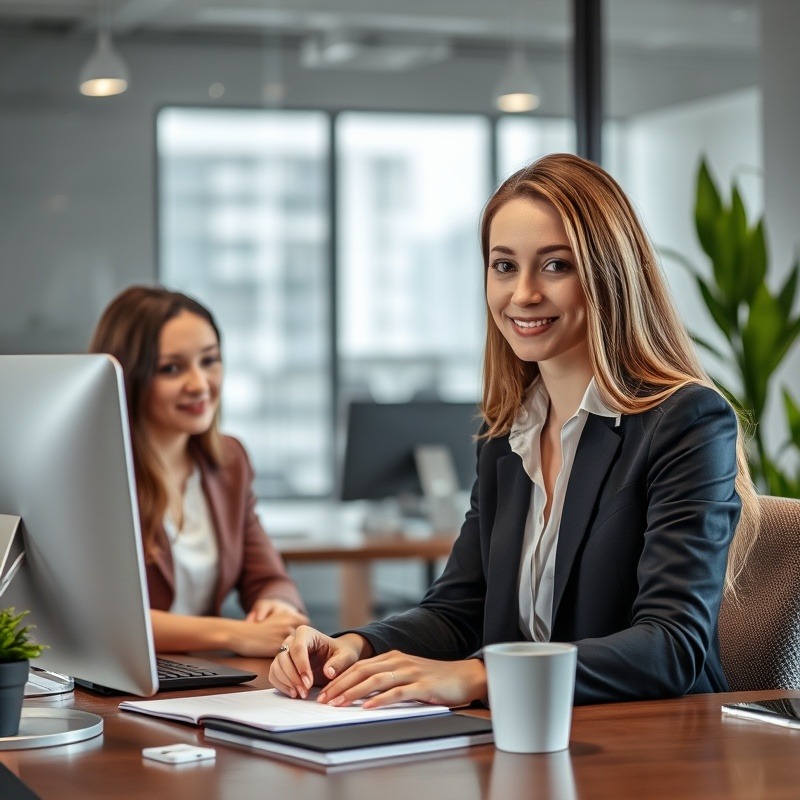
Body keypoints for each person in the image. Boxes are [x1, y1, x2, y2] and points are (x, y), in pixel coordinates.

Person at [270, 153, 760, 707]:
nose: (523, 293)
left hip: (647, 746)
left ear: (610, 275)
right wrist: (355, 645)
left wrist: (484, 677)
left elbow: (672, 646)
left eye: (556, 265)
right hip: (520, 741)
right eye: (504, 266)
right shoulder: (507, 436)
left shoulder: (685, 423)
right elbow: (460, 609)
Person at [89, 286, 308, 657]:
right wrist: (233, 634)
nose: (199, 384)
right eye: (171, 368)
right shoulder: (93, 473)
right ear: (129, 377)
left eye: (209, 360)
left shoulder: (229, 460)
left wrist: (277, 608)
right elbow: (99, 617)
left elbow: (270, 578)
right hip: (116, 685)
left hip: (200, 681)